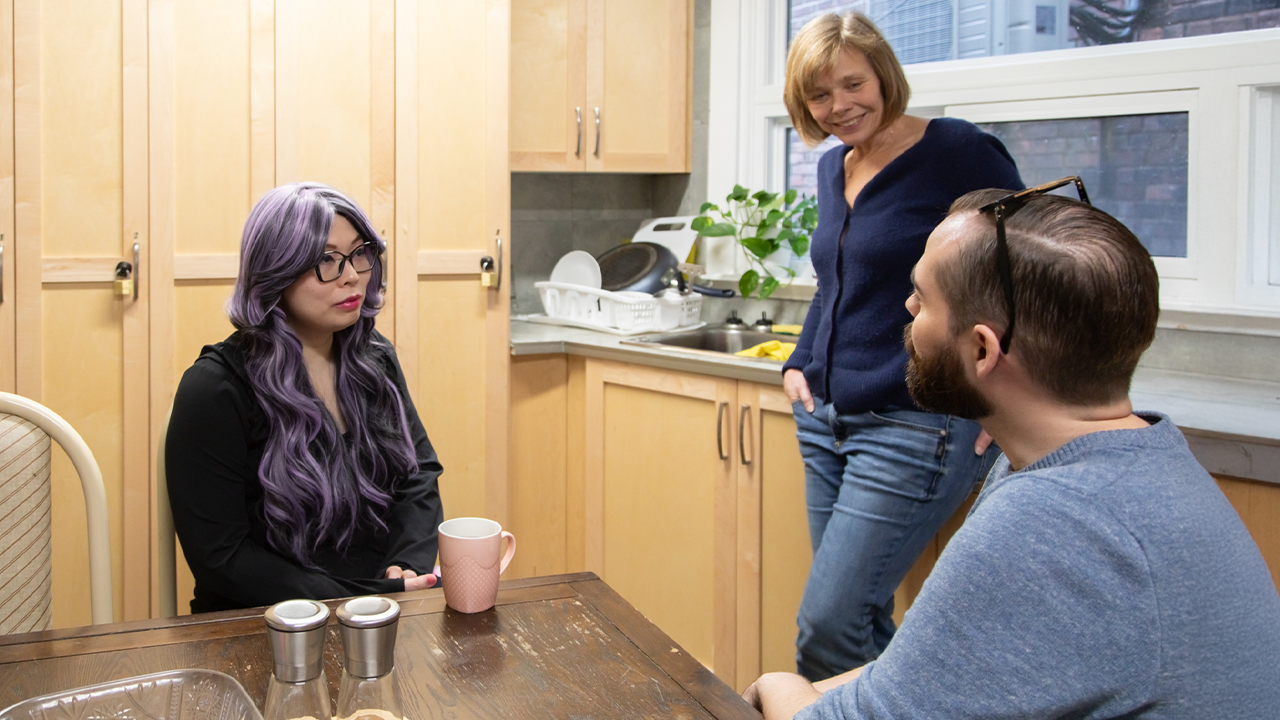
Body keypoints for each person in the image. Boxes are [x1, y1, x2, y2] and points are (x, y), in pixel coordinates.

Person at [744, 181, 1280, 718]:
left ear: (982, 348)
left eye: (923, 298)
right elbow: (920, 673)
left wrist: (774, 685)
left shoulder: (1056, 523)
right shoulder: (1128, 456)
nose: (906, 308)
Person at [779, 12, 1024, 679]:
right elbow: (839, 282)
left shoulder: (957, 152)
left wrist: (1004, 397)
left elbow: (1023, 269)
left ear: (883, 74)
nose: (838, 107)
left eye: (852, 84)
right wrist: (801, 361)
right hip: (824, 422)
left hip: (915, 426)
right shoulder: (836, 169)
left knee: (828, 628)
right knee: (857, 621)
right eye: (819, 96)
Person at [167, 182, 444, 613]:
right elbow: (221, 557)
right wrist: (354, 598)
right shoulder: (215, 389)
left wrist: (406, 565)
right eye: (326, 260)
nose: (352, 274)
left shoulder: (375, 358)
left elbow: (418, 473)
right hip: (264, 622)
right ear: (276, 271)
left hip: (379, 609)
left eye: (359, 253)